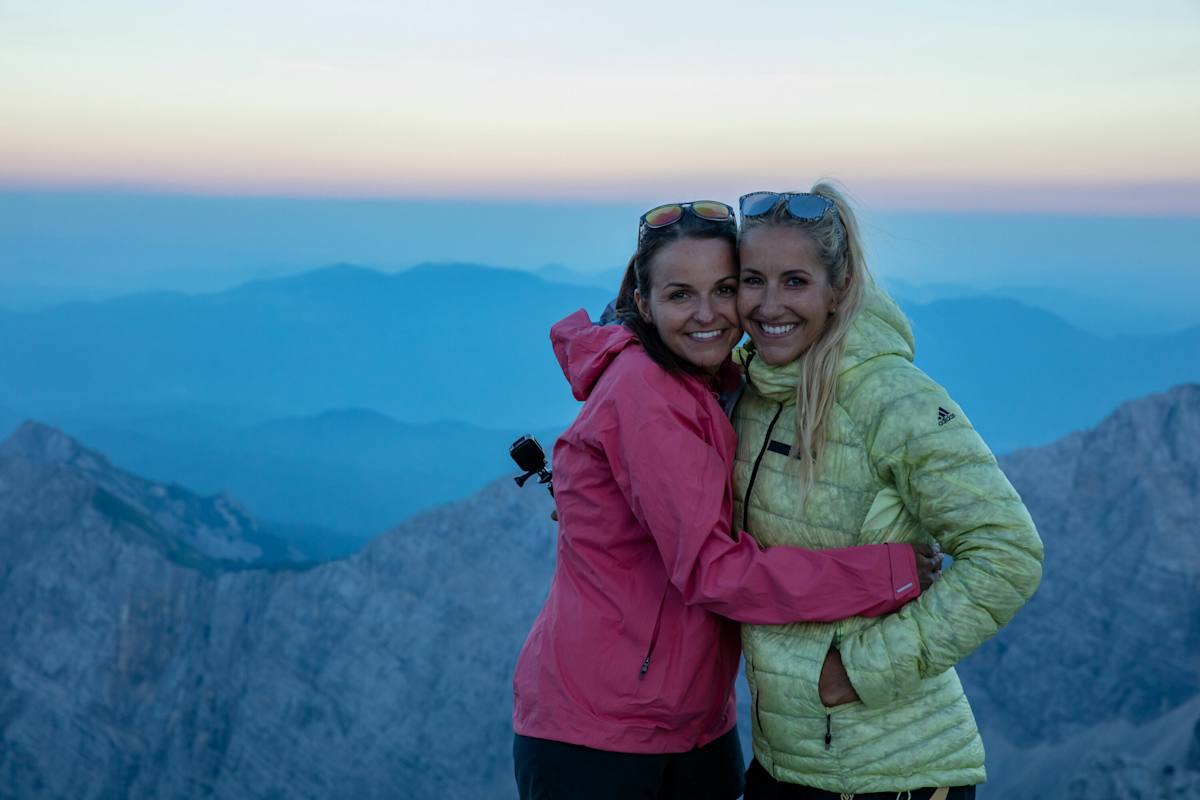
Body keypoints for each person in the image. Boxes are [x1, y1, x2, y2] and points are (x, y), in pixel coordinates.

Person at [511, 200, 940, 800]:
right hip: (601, 738)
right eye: (681, 295)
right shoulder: (645, 392)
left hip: (694, 724)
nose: (708, 314)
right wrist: (883, 573)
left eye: (725, 289)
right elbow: (714, 571)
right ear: (644, 303)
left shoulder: (714, 379)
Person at [731, 184, 1045, 800]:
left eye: (795, 281)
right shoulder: (755, 392)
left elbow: (1009, 553)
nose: (769, 304)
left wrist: (858, 670)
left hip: (893, 774)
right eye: (751, 280)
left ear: (838, 289)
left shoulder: (891, 396)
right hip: (787, 762)